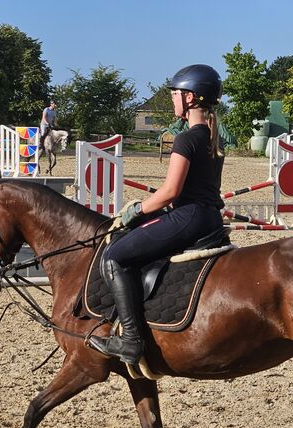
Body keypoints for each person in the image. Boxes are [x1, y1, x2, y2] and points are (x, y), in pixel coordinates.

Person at [89, 64, 225, 366]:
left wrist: (134, 211)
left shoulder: (186, 139)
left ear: (190, 98)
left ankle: (131, 340)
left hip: (188, 217)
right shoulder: (214, 138)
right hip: (210, 217)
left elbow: (170, 192)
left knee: (114, 256)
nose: (173, 99)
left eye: (176, 94)